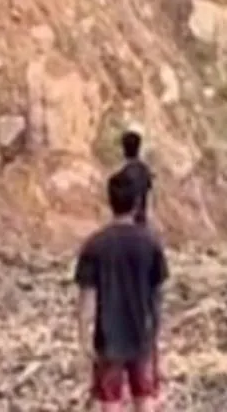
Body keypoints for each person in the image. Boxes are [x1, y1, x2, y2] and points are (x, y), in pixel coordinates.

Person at [75, 171, 169, 412]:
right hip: (142, 333)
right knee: (144, 397)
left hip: (108, 338)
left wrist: (83, 336)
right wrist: (157, 334)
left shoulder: (95, 245)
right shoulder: (150, 242)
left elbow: (87, 297)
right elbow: (157, 296)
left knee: (110, 401)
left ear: (109, 201)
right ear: (137, 202)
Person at [113, 128, 153, 226]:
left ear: (124, 149)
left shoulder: (122, 174)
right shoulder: (144, 170)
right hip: (141, 220)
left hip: (128, 220)